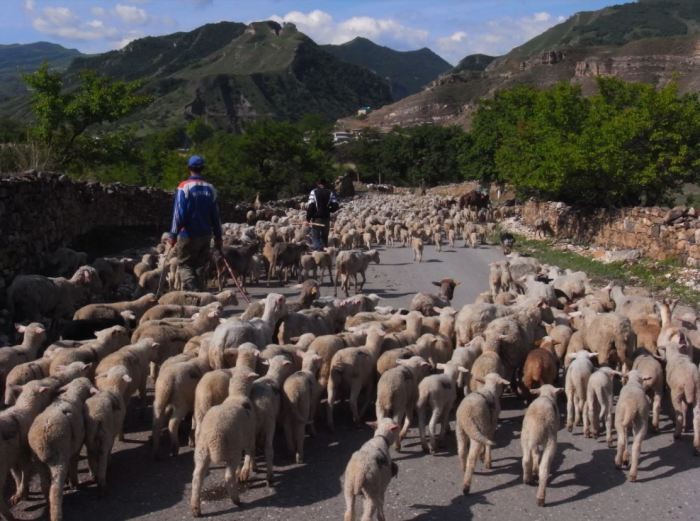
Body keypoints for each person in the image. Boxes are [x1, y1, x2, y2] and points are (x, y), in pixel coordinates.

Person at [167, 155, 223, 290]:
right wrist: (218, 237)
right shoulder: (210, 188)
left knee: (184, 265)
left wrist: (172, 235)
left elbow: (178, 213)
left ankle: (194, 290)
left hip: (187, 234)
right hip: (205, 234)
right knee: (200, 265)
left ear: (189, 168)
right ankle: (201, 295)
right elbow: (216, 215)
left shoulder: (184, 187)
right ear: (202, 169)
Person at [306, 178, 339, 251]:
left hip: (317, 219)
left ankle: (318, 253)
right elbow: (336, 206)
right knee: (324, 238)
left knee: (316, 237)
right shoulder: (330, 192)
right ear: (325, 184)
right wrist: (328, 210)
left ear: (317, 184)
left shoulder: (313, 192)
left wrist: (308, 219)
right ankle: (325, 255)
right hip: (326, 219)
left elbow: (311, 206)